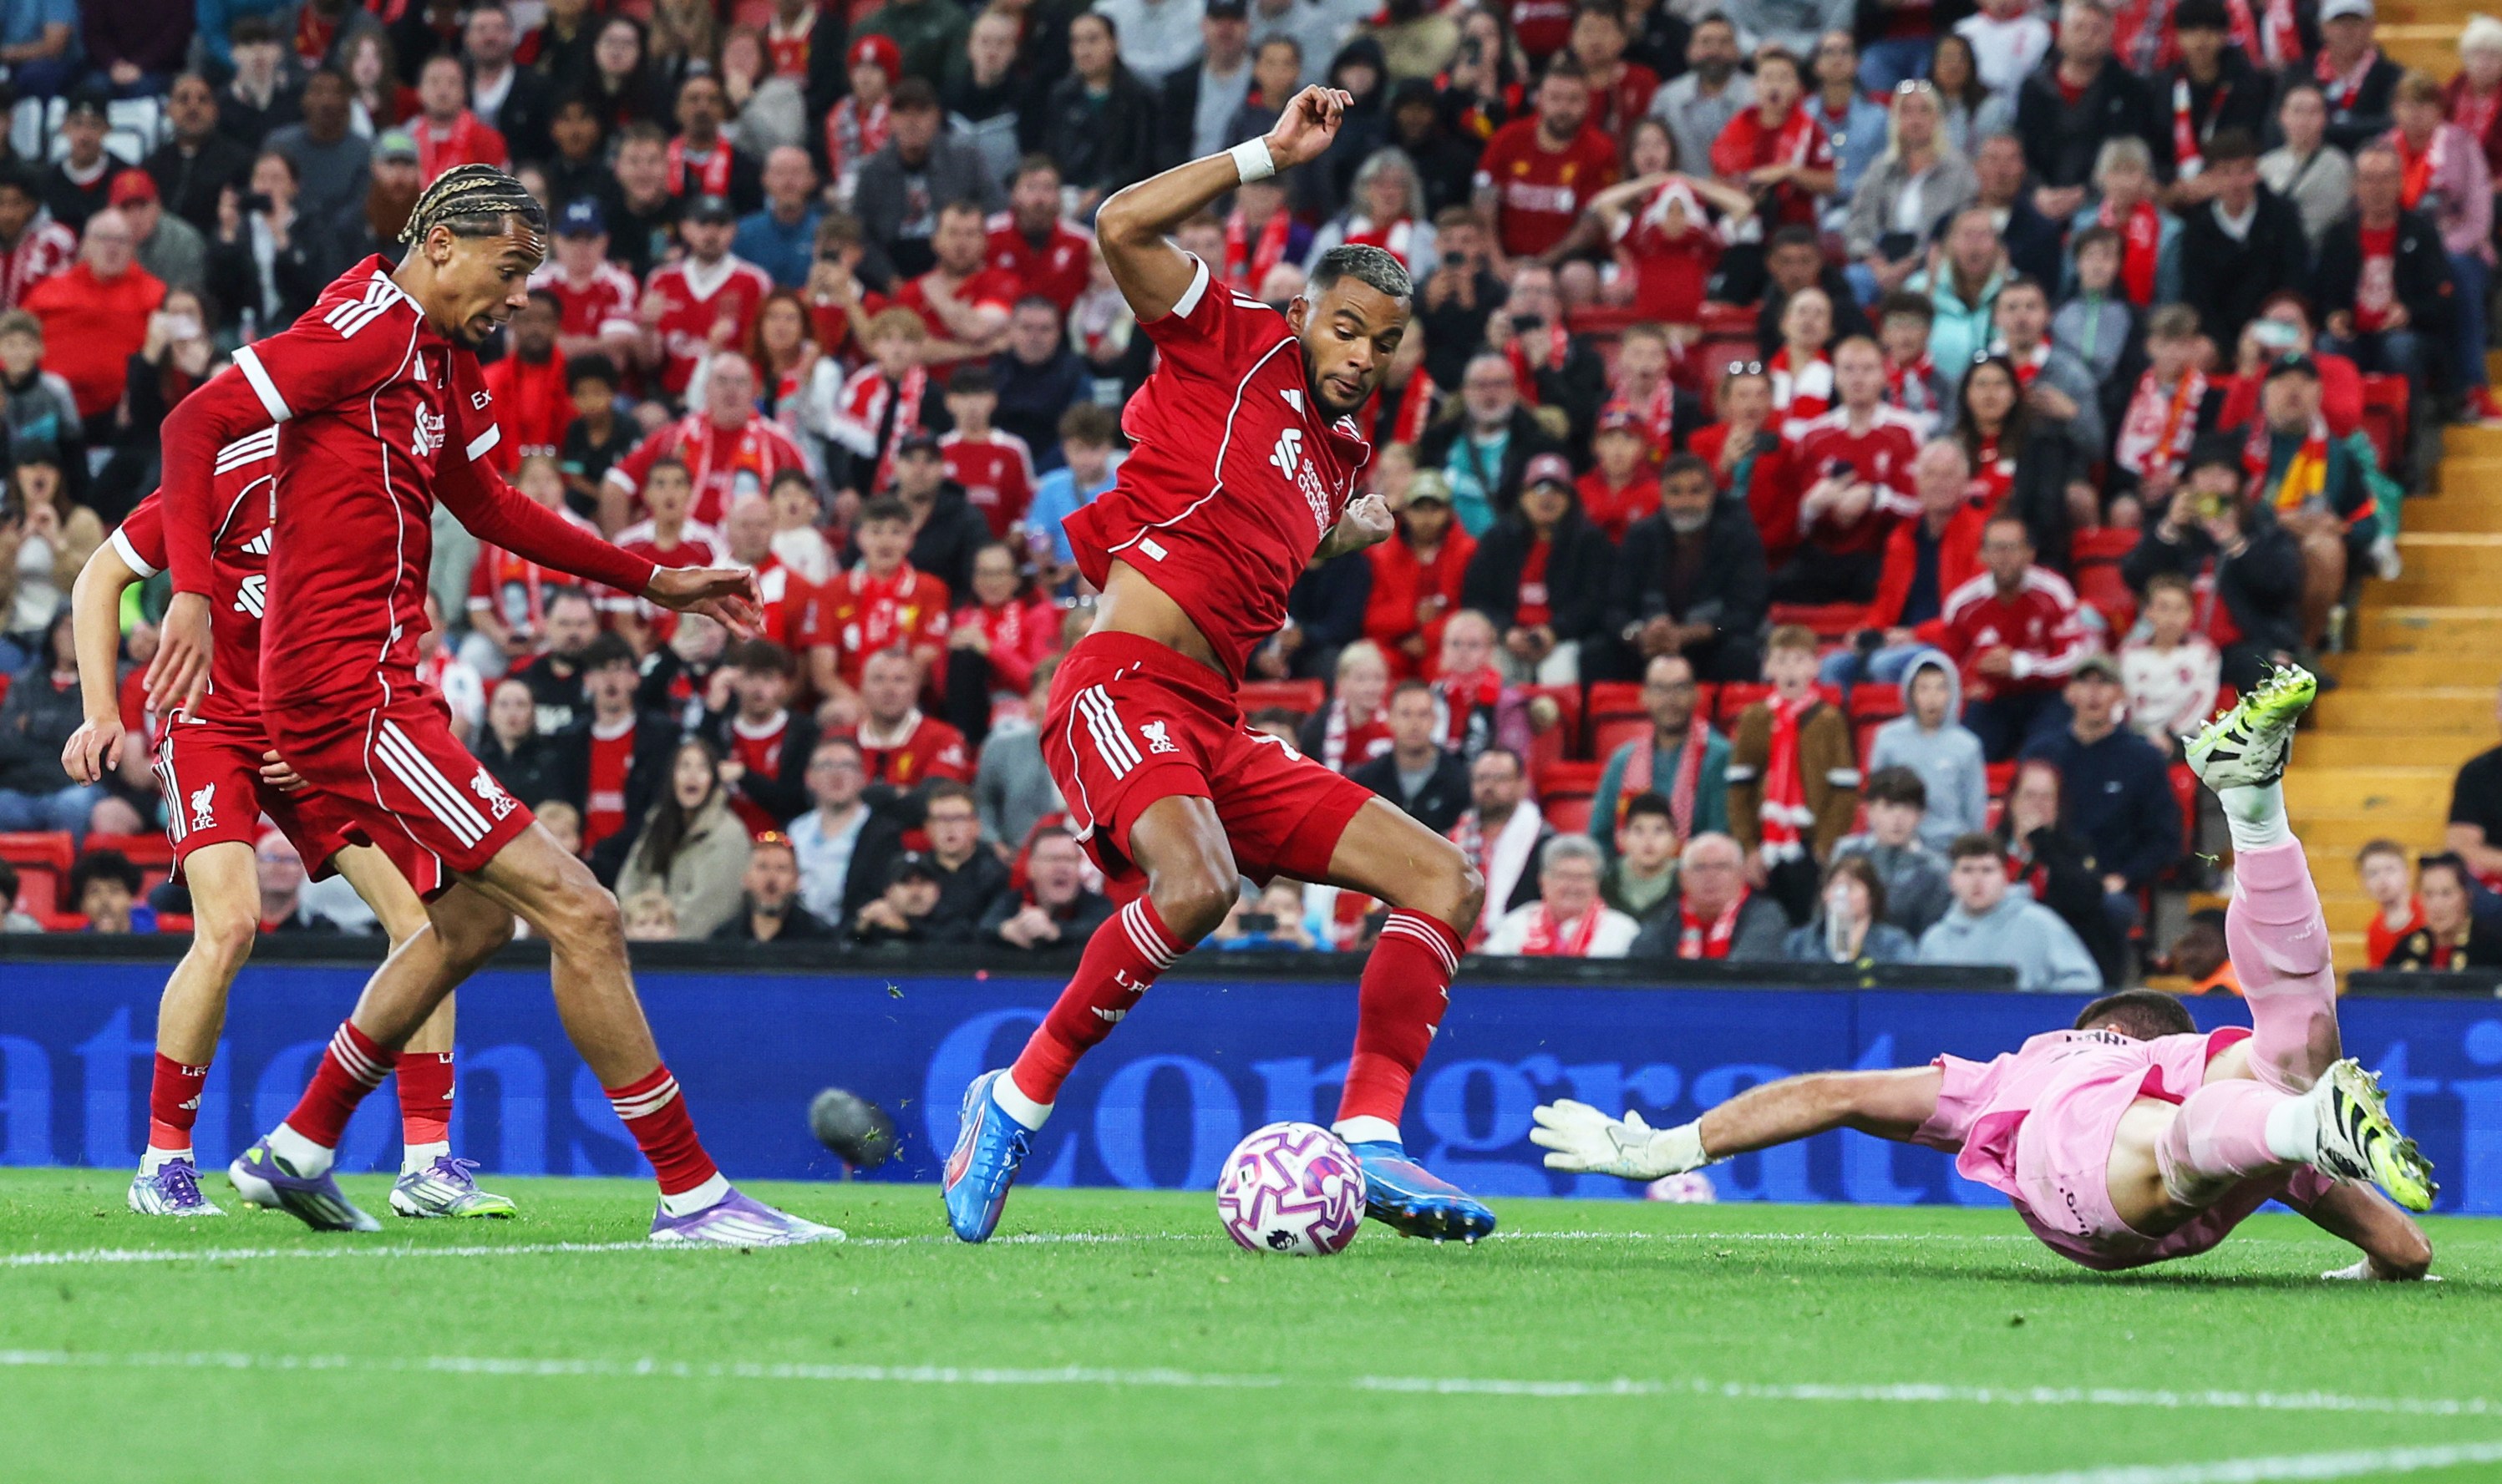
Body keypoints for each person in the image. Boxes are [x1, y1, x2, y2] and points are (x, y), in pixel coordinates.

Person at [147, 165, 834, 1245]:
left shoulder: (448, 363)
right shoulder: (367, 331)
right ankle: (693, 1196)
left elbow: (490, 503)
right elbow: (195, 422)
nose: (518, 294)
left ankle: (301, 1145)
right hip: (347, 695)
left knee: (470, 921)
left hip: (379, 688)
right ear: (438, 245)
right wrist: (191, 592)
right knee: (586, 912)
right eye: (508, 268)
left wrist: (653, 576)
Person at [940, 85, 1496, 1247]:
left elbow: (1269, 532)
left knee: (1443, 881)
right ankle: (1016, 1093)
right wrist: (1262, 155)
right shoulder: (1228, 337)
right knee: (1196, 888)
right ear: (1304, 312)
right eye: (1345, 328)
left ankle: (1374, 1140)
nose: (1361, 356)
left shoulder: (1339, 458)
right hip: (1119, 681)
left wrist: (1351, 528)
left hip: (1217, 719)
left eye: (1384, 344)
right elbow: (1117, 227)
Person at [1538, 672, 2439, 1283]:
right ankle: (2254, 814)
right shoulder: (2186, 1079)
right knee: (2285, 1059)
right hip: (2176, 1130)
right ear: (2143, 1040)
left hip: (2117, 1162)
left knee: (2232, 1117)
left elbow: (1834, 1092)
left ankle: (2251, 804)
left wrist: (1667, 1146)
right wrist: (2360, 1249)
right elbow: (2406, 1249)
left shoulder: (2011, 1074)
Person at [69, 463, 515, 1218]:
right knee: (232, 924)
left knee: (428, 922)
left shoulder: (366, 491)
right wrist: (100, 710)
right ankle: (164, 1162)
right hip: (208, 722)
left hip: (305, 731)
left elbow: (370, 630)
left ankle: (427, 1166)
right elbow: (97, 578)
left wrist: (325, 721)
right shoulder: (222, 476)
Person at [2120, 443, 2307, 691]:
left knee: (2265, 675)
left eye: (2223, 474)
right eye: (2204, 473)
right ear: (2188, 484)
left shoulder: (2264, 530)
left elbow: (2282, 587)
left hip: (2241, 646)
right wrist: (2169, 530)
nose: (2213, 482)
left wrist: (2236, 543)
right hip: (2174, 643)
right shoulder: (2172, 529)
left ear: (2239, 484)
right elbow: (2134, 576)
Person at [2027, 653, 2183, 944]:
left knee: (2106, 909)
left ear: (2120, 694)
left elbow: (2165, 840)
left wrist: (2124, 878)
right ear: (2069, 693)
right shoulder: (2041, 753)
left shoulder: (2142, 759)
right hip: (2047, 880)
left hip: (2108, 885)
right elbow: (2017, 824)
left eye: (2104, 683)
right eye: (2084, 683)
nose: (2094, 692)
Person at [1934, 514, 2091, 761]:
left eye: (2012, 548)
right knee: (1963, 754)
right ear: (1982, 555)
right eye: (1996, 548)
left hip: (2047, 696)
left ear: (2029, 553)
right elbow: (1950, 665)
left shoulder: (2054, 592)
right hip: (1994, 698)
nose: (2004, 556)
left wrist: (2023, 665)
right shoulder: (1962, 603)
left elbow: (2077, 657)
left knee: (2042, 756)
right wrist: (1970, 683)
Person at [1607, 453, 1769, 685]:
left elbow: (1746, 614)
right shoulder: (1640, 536)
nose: (1685, 502)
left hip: (1712, 641)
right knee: (1598, 651)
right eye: (1675, 492)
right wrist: (1638, 634)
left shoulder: (1739, 537)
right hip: (1648, 644)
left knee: (1740, 651)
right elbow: (1616, 607)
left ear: (1712, 493)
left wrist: (1692, 634)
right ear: (1661, 494)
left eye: (1696, 491)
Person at [1459, 452, 1613, 686]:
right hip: (1507, 639)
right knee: (1487, 668)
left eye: (1557, 490)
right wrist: (1506, 630)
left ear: (1570, 498)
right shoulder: (1499, 539)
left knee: (1558, 675)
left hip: (1562, 641)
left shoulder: (1590, 542)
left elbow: (1595, 600)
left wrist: (1554, 631)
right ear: (1523, 496)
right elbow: (1476, 596)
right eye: (1538, 489)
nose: (1547, 498)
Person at [616, 737, 757, 942]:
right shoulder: (657, 822)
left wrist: (663, 937)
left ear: (714, 779)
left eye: (702, 768)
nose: (692, 775)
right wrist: (635, 928)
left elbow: (711, 909)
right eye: (684, 766)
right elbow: (629, 884)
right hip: (641, 946)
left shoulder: (729, 834)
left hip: (693, 958)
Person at [1589, 652, 1731, 850]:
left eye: (1679, 688)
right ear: (1644, 697)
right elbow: (1599, 838)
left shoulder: (1719, 756)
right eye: (1660, 689)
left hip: (1695, 874)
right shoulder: (1623, 760)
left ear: (1696, 695)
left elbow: (1721, 839)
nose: (1670, 699)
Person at [1627, 829, 1790, 960]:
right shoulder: (1664, 915)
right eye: (1699, 867)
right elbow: (1641, 968)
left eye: (1722, 866)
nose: (1710, 876)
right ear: (1683, 878)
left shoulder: (1765, 915)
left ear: (1741, 875)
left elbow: (1746, 974)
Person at [1829, 765, 1952, 936]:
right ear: (1869, 811)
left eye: (1907, 808)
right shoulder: (1846, 853)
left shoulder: (1936, 869)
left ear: (1921, 815)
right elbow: (1830, 918)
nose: (1898, 819)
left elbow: (1932, 933)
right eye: (1888, 807)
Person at [1482, 833, 1641, 956]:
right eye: (1563, 876)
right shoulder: (1516, 926)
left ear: (1596, 883)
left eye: (1582, 877)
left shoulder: (1623, 932)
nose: (1573, 886)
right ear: (1543, 881)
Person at [1351, 678, 1474, 835]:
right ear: (1390, 719)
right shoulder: (1367, 779)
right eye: (1405, 714)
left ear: (1434, 719)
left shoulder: (1458, 779)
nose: (1414, 724)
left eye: (1423, 714)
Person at [2119, 573, 2221, 752]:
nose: (2172, 617)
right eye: (2164, 608)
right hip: (2136, 736)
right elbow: (2121, 701)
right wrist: (2141, 735)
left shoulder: (2203, 652)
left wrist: (2170, 735)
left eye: (2180, 609)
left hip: (2185, 738)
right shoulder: (2129, 653)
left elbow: (2202, 700)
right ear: (2148, 612)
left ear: (2191, 613)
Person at [981, 827, 1116, 950]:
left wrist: (1055, 931)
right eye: (1052, 859)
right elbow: (984, 926)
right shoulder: (1012, 900)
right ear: (1031, 868)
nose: (1062, 867)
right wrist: (1007, 929)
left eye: (1069, 859)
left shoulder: (1099, 906)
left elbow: (1100, 932)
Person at [2261, 84, 2359, 251]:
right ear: (2282, 116)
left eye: (2313, 112)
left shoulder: (2339, 165)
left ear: (2324, 117)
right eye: (2297, 110)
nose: (2305, 119)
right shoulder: (2264, 165)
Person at [1783, 852, 1916, 965]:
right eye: (1836, 886)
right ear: (1825, 894)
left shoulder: (1894, 944)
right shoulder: (1799, 943)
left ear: (1871, 895)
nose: (1842, 895)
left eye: (1851, 887)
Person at [2384, 853, 2502, 970]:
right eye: (2428, 894)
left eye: (2446, 893)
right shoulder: (2406, 949)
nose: (2437, 905)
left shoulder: (2491, 949)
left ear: (2467, 896)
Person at [711, 833, 835, 941]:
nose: (771, 878)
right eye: (762, 867)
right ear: (746, 879)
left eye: (781, 869)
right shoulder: (723, 940)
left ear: (797, 881)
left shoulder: (820, 940)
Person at [1600, 789, 1681, 925]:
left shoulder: (1686, 883)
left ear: (1675, 841)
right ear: (1622, 839)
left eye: (1659, 830)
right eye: (1639, 830)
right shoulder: (1605, 883)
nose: (1648, 840)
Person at [2355, 838, 2423, 970]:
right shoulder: (2374, 930)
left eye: (2390, 870)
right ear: (2363, 882)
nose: (2382, 880)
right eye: (2372, 874)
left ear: (2407, 873)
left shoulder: (2428, 911)